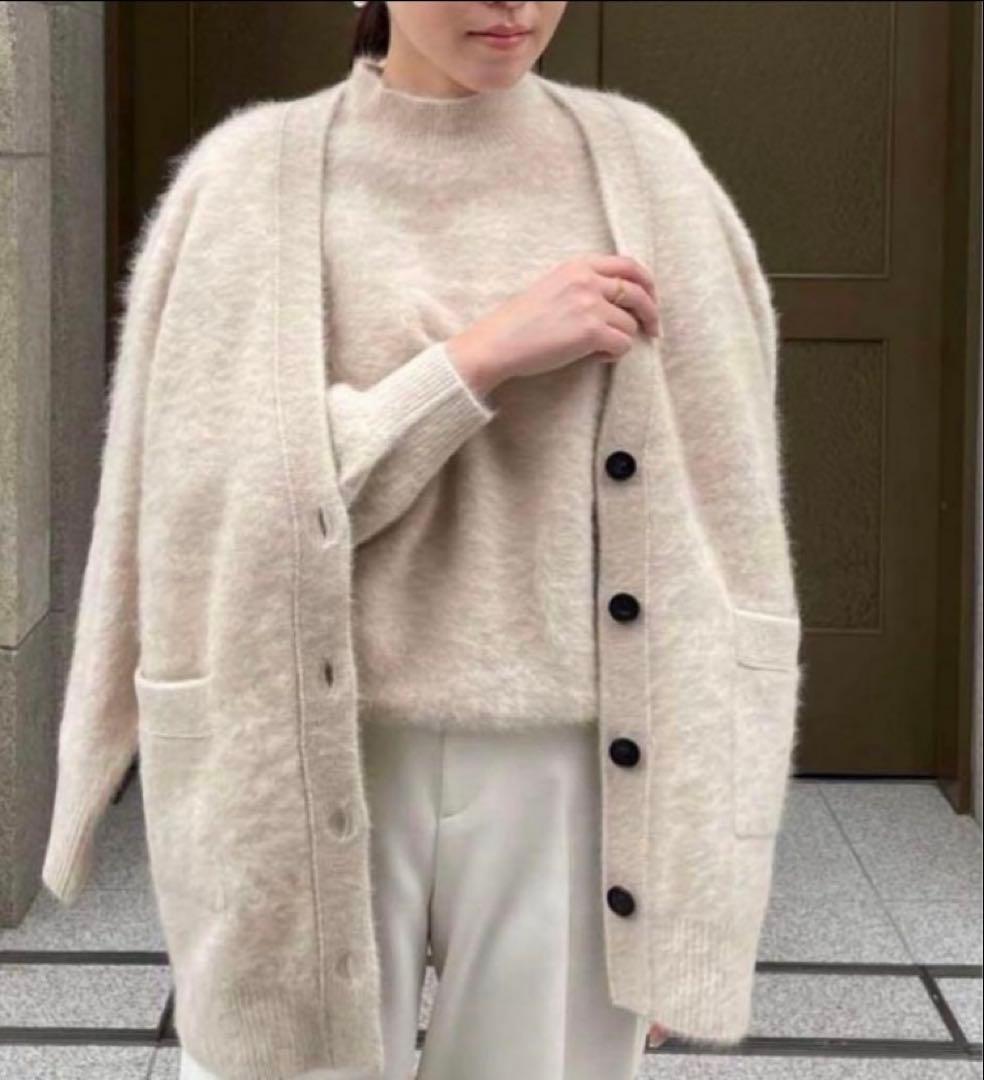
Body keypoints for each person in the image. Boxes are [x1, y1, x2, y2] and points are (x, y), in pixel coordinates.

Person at [177, 2, 664, 1077]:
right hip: (314, 739)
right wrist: (477, 359)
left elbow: (698, 535)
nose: (515, 3)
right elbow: (222, 518)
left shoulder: (641, 177)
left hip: (569, 752)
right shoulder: (253, 180)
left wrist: (679, 867)